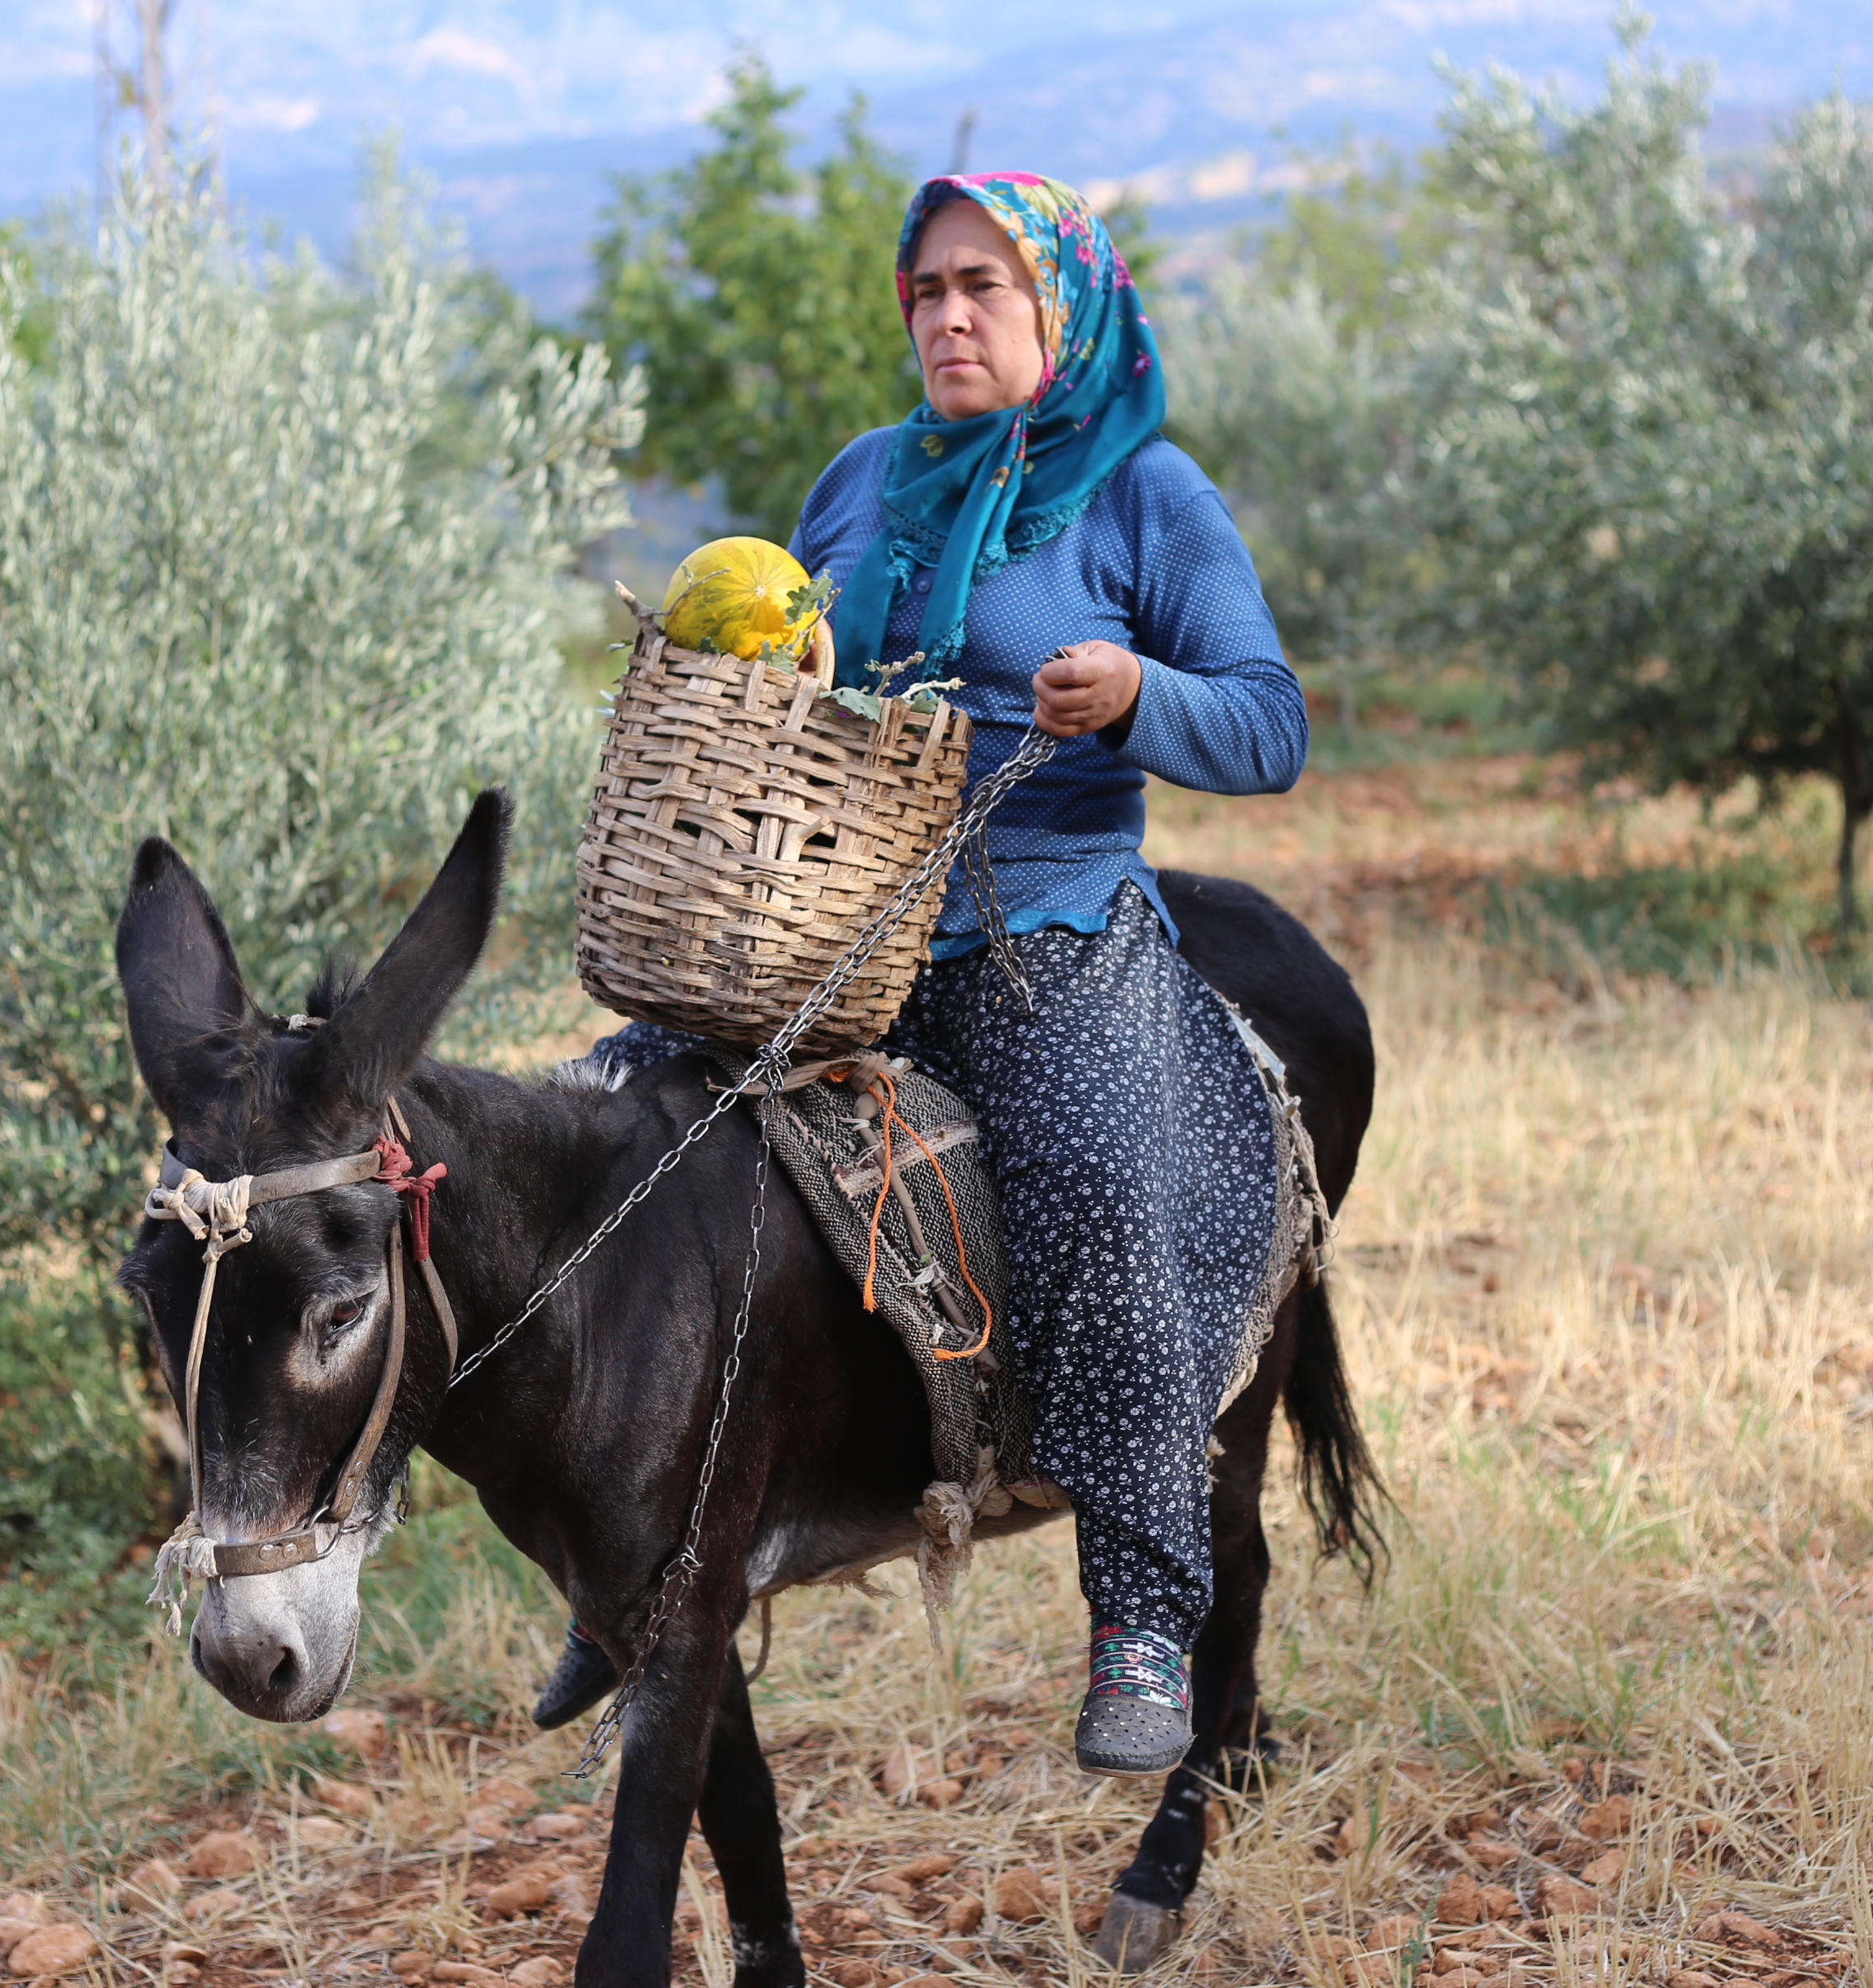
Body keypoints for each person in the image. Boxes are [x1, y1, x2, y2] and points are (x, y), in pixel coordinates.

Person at [544, 170, 1306, 1778]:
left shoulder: (1146, 497)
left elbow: (1269, 724)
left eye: (988, 287)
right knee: (608, 1125)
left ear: (1061, 311)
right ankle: (621, 1573)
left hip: (1048, 937)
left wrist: (1140, 692)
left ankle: (1146, 1619)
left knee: (1105, 1183)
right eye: (929, 289)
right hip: (831, 928)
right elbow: (801, 673)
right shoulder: (862, 482)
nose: (950, 317)